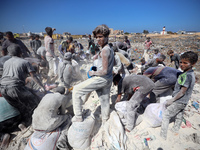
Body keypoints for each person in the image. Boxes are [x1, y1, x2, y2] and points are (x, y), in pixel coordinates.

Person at [72, 24, 114, 122]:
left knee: (76, 90)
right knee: (104, 100)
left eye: (101, 37)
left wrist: (93, 73)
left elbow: (104, 71)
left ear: (107, 37)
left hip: (101, 79)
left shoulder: (104, 50)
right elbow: (112, 64)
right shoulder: (109, 48)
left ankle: (78, 117)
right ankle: (105, 119)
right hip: (109, 79)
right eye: (97, 37)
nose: (98, 39)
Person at [0, 44, 45, 125]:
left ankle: (22, 123)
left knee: (20, 106)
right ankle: (33, 123)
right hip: (15, 87)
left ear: (10, 53)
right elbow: (34, 76)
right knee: (33, 102)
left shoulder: (6, 62)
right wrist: (42, 86)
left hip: (3, 88)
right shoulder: (24, 62)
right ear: (20, 52)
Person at [160, 51, 198, 140]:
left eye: (185, 63)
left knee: (166, 115)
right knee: (179, 115)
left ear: (193, 64)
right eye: (181, 62)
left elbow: (182, 91)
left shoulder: (187, 76)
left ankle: (163, 135)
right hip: (184, 101)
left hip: (179, 100)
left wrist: (172, 100)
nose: (182, 64)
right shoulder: (188, 73)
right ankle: (175, 129)